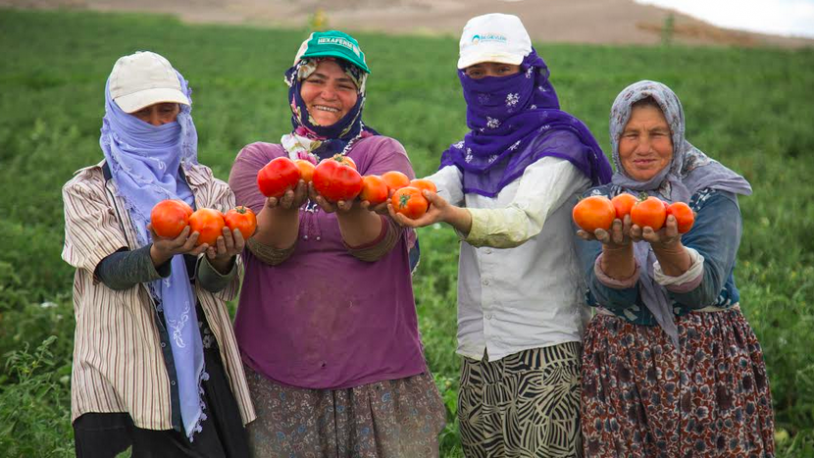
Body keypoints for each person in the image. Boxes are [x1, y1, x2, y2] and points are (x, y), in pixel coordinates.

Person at [390, 13, 613, 457]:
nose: (488, 82)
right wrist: (379, 193)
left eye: (501, 70)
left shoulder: (560, 146)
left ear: (527, 70)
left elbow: (520, 220)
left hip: (544, 346)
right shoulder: (473, 150)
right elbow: (436, 186)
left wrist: (451, 215)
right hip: (479, 348)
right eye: (477, 72)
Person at [227, 31, 446, 457]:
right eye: (316, 80)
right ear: (295, 84)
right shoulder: (259, 160)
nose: (328, 94)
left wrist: (348, 205)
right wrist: (285, 206)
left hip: (378, 372)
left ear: (360, 94)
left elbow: (374, 245)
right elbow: (270, 248)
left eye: (344, 85)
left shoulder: (383, 155)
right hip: (276, 374)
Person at [62, 51, 255, 457]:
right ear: (117, 115)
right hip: (126, 370)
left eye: (166, 111)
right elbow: (112, 271)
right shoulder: (88, 191)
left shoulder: (209, 189)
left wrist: (222, 259)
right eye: (141, 114)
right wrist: (159, 252)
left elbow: (213, 285)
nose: (156, 124)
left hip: (203, 365)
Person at [575, 80, 775, 457]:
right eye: (631, 134)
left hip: (704, 359)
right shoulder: (596, 204)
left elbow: (704, 288)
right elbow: (609, 297)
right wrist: (616, 249)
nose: (644, 147)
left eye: (658, 134)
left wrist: (668, 247)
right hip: (621, 363)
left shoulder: (711, 193)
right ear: (615, 138)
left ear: (677, 135)